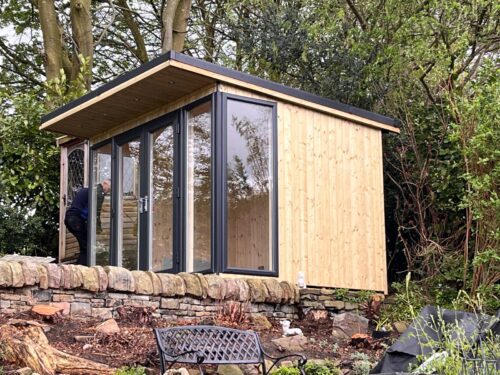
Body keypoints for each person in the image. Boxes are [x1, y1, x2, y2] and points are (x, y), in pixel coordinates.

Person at [65, 179, 110, 265]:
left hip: (70, 218)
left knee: (84, 245)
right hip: (76, 219)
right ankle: (81, 269)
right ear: (105, 183)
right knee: (87, 247)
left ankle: (79, 267)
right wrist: (98, 229)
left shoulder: (88, 190)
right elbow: (96, 212)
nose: (107, 192)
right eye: (108, 189)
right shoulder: (98, 192)